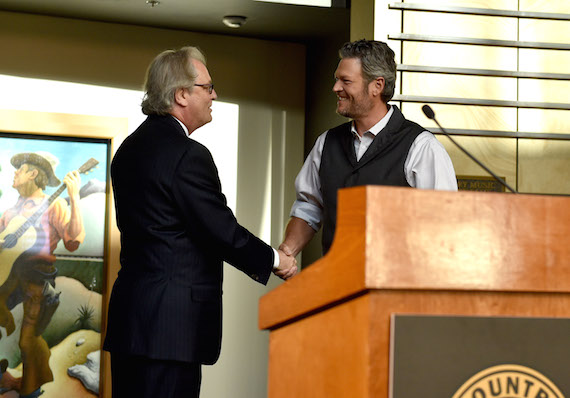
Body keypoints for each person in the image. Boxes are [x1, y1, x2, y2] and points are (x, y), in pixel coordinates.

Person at [102, 46, 297, 398]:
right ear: (181, 95)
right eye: (207, 87)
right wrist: (276, 260)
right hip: (170, 329)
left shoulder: (128, 149)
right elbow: (220, 231)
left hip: (132, 322)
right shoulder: (188, 154)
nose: (214, 95)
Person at [280, 39, 458, 258]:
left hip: (395, 286)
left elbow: (444, 225)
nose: (336, 88)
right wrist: (286, 253)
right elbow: (309, 207)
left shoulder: (421, 146)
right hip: (336, 283)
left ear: (377, 85)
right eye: (336, 80)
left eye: (346, 81)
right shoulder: (326, 143)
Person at [0, 151, 84, 398]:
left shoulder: (54, 204)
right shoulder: (12, 209)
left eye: (20, 169)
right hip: (7, 277)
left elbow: (73, 241)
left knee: (28, 340)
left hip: (38, 279)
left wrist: (75, 198)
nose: (15, 173)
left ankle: (31, 388)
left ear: (33, 173)